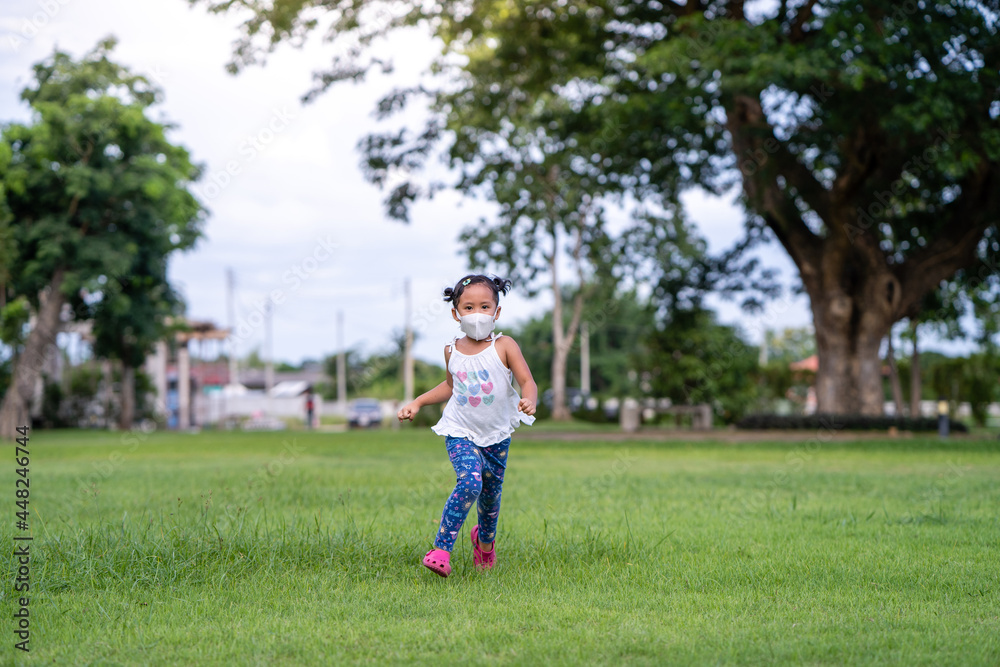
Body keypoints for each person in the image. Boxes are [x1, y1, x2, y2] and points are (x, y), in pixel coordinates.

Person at [397, 274, 537, 577]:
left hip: (497, 435)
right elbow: (450, 386)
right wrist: (418, 402)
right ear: (456, 313)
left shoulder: (505, 346)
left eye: (485, 306)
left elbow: (527, 381)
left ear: (497, 312)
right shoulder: (451, 350)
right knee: (471, 482)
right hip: (460, 430)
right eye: (469, 307)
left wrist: (529, 400)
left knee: (490, 499)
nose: (477, 314)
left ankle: (484, 545)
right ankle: (441, 550)